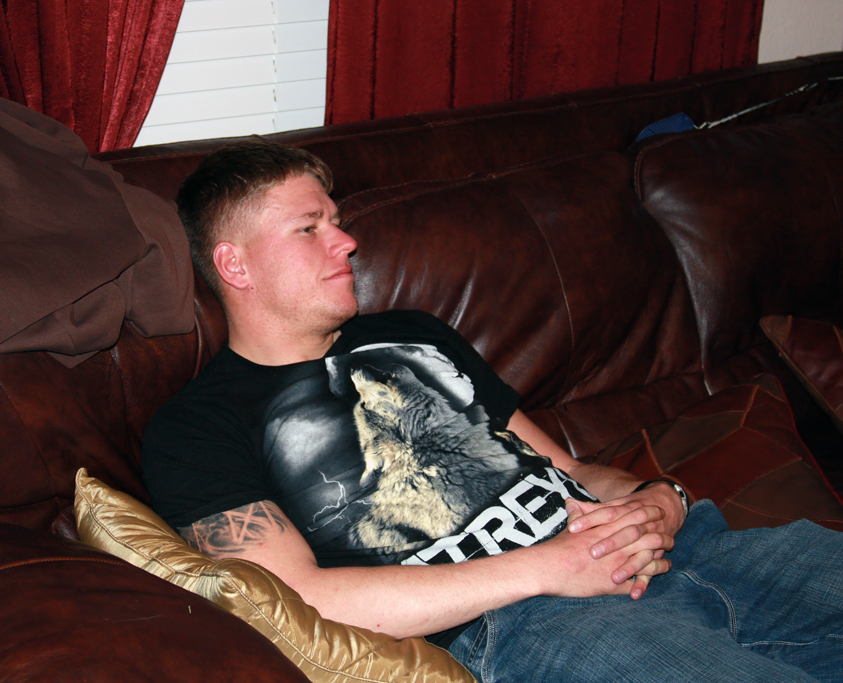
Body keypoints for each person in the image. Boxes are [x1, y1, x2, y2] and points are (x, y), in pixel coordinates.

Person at [142, 139, 843, 682]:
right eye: (309, 227)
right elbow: (300, 602)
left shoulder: (412, 333)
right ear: (235, 265)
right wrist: (549, 567)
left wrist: (658, 499)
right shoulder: (194, 428)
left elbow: (572, 470)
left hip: (692, 551)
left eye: (338, 221)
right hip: (533, 621)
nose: (346, 240)